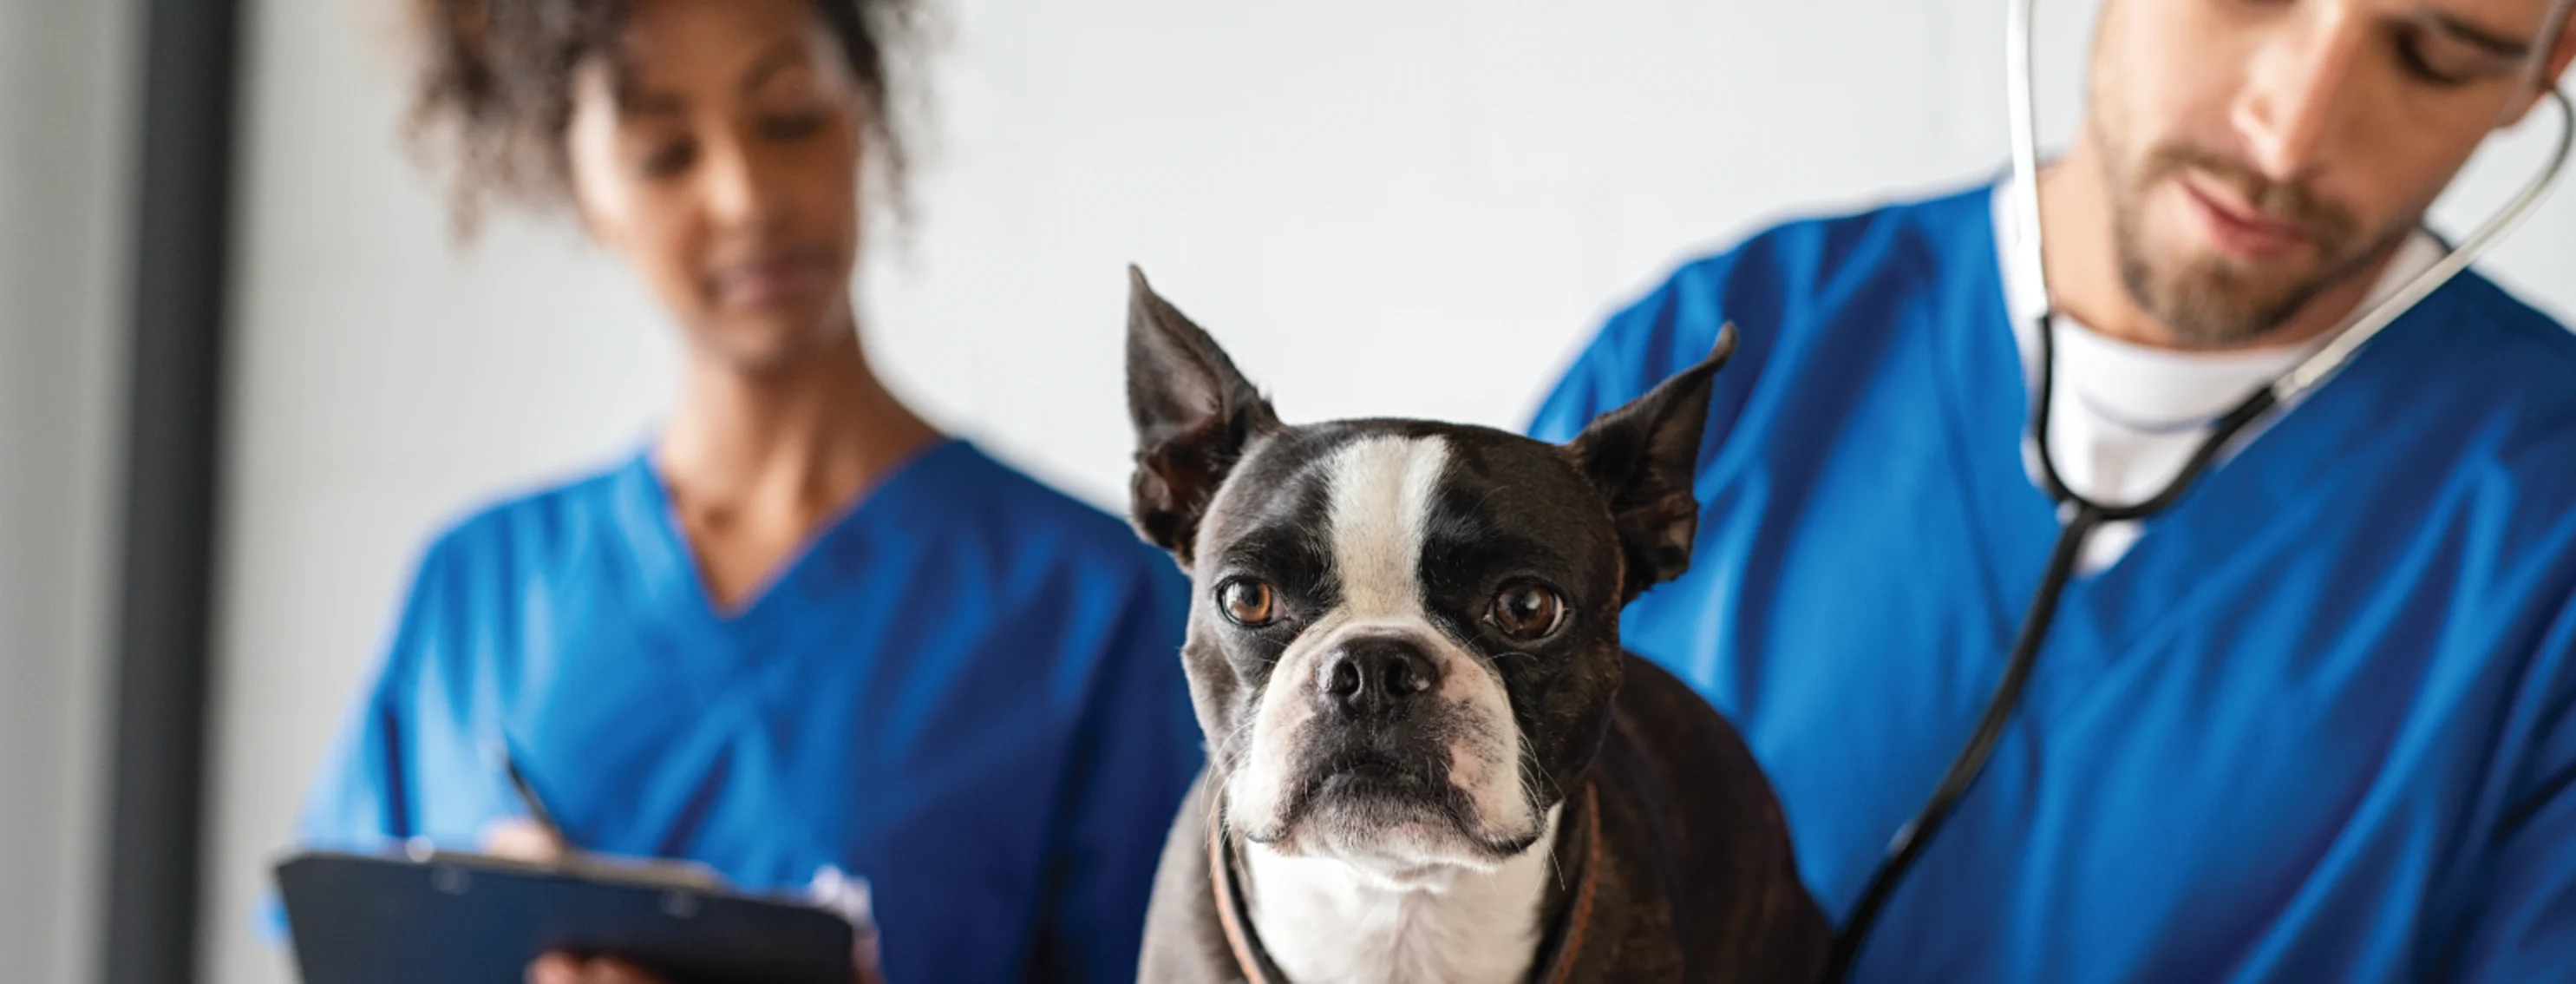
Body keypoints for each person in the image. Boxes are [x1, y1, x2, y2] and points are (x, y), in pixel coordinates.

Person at [1530, 0, 2576, 980]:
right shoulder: (1711, 360)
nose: (2290, 137)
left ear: (2548, 64)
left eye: (2437, 56)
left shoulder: (2546, 515)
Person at [281, 2, 1201, 982]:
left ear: (866, 108)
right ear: (581, 183)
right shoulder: (478, 590)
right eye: (665, 153)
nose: (746, 194)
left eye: (791, 117)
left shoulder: (1095, 605)